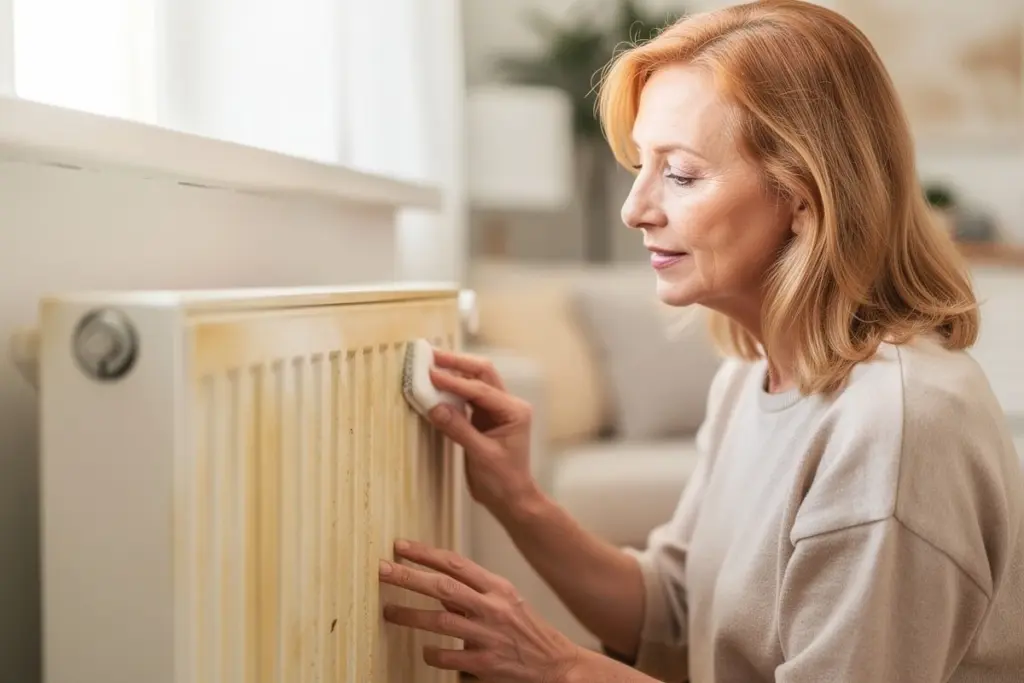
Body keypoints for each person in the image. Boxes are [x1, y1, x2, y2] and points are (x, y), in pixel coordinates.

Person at [378, 1, 1024, 681]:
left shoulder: (895, 424)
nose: (635, 209)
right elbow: (670, 608)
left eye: (681, 174)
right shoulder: (750, 377)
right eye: (640, 168)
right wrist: (516, 495)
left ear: (804, 199)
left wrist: (561, 666)